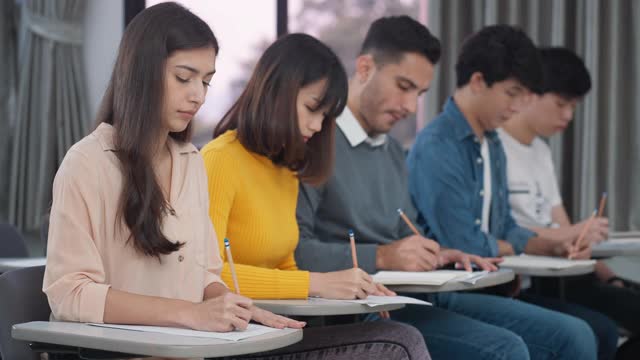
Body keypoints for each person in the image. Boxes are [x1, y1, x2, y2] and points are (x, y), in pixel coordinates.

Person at [43, 3, 428, 360]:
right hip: (153, 349)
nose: (197, 95)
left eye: (206, 82)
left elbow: (208, 273)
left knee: (396, 339)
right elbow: (69, 294)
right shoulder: (88, 163)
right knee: (396, 344)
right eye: (184, 77)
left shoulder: (189, 161)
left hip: (207, 345)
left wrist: (234, 307)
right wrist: (192, 314)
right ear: (141, 71)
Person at [297, 17, 597, 359]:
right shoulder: (316, 141)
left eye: (420, 93)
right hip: (351, 310)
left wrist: (437, 253)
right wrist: (382, 255)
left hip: (401, 298)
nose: (411, 107)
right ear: (365, 68)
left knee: (571, 335)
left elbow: (406, 233)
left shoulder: (393, 151)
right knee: (508, 349)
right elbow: (294, 250)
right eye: (403, 86)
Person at [201, 32, 430, 359]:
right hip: (235, 341)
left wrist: (353, 287)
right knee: (398, 343)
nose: (318, 125)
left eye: (326, 116)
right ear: (276, 92)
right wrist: (316, 283)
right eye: (312, 108)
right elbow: (205, 275)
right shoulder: (219, 160)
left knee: (398, 335)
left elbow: (285, 266)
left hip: (276, 331)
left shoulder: (285, 169)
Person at [408, 25, 617, 360]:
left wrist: (553, 245)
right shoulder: (438, 145)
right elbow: (467, 244)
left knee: (585, 332)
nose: (518, 106)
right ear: (478, 82)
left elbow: (505, 228)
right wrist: (522, 244)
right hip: (451, 290)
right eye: (512, 93)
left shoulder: (492, 143)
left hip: (494, 285)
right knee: (574, 336)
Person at [499, 46, 640, 354]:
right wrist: (573, 233)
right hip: (529, 281)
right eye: (561, 104)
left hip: (564, 275)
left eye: (574, 107)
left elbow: (564, 227)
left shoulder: (541, 152)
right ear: (529, 94)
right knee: (597, 328)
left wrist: (607, 271)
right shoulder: (496, 147)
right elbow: (506, 232)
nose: (567, 116)